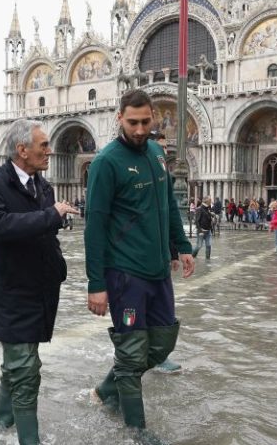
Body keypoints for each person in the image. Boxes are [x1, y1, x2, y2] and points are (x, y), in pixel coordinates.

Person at [85, 89, 195, 436]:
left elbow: (168, 205)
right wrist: (96, 285)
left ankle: (106, 390)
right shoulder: (106, 162)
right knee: (132, 356)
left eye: (145, 121)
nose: (139, 128)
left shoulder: (156, 154)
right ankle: (137, 431)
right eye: (132, 122)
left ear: (154, 118)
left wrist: (181, 245)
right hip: (124, 274)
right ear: (119, 119)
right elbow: (95, 227)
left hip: (158, 270)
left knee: (161, 343)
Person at [0, 119, 78, 444]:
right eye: (44, 145)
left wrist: (58, 266)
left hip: (39, 291)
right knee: (26, 372)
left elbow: (46, 234)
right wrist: (52, 214)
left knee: (18, 364)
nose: (50, 151)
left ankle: (1, 423)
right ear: (22, 150)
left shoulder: (43, 187)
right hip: (8, 293)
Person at [148, 129, 182, 374]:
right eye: (160, 148)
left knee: (164, 312)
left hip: (159, 256)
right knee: (137, 316)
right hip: (132, 258)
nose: (164, 153)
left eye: (166, 149)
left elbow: (169, 216)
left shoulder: (165, 177)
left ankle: (158, 355)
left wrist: (176, 252)